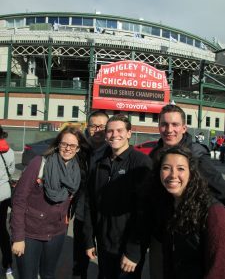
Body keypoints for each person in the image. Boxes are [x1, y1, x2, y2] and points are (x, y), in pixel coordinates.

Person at [148, 104, 225, 279]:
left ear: (184, 128)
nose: (169, 130)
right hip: (163, 235)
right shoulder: (154, 155)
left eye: (175, 125)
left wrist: (211, 222)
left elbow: (220, 191)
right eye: (164, 124)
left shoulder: (197, 156)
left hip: (192, 237)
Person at [10, 125, 89, 279]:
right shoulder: (40, 163)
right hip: (30, 233)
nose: (67, 149)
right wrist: (18, 237)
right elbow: (19, 200)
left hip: (56, 233)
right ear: (58, 143)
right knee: (28, 276)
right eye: (64, 144)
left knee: (48, 275)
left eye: (72, 145)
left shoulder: (77, 170)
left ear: (78, 148)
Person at [84, 114, 152, 279]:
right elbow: (90, 203)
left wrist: (133, 251)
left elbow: (145, 212)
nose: (114, 135)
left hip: (127, 247)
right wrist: (89, 240)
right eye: (110, 131)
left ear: (129, 133)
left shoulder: (141, 162)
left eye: (120, 130)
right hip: (104, 243)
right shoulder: (100, 162)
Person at [72, 110, 109, 279]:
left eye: (102, 126)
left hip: (105, 215)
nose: (97, 130)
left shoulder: (113, 152)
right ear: (88, 127)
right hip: (81, 212)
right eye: (93, 126)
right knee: (79, 260)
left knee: (106, 261)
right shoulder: (79, 150)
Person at [0, 126, 15, 278]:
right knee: (2, 230)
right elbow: (10, 172)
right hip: (3, 194)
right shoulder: (9, 152)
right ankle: (8, 265)